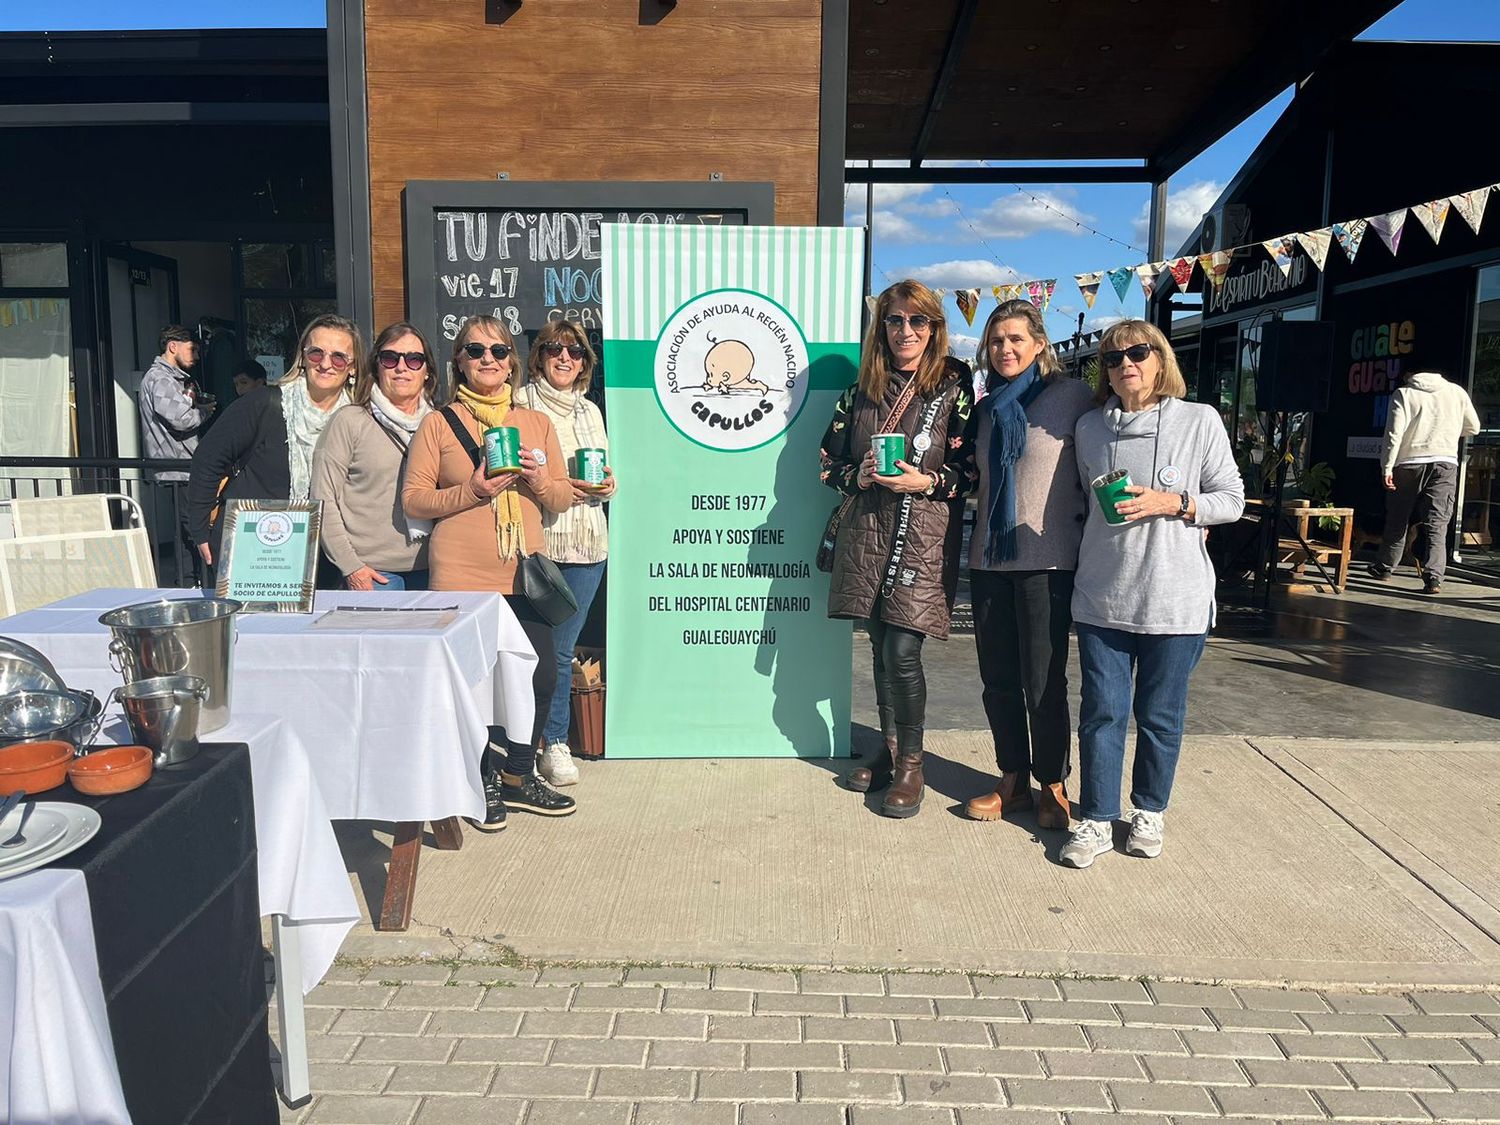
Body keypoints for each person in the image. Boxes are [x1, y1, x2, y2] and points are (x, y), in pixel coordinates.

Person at [1061, 320, 1244, 869]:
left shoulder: (1199, 420)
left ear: (1160, 359)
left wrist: (1175, 503)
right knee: (1101, 714)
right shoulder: (1089, 428)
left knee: (1161, 716)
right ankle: (1094, 818)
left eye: (1138, 353)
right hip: (1103, 597)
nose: (1126, 365)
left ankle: (1148, 811)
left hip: (1176, 600)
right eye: (1113, 358)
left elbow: (1231, 499)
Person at [403, 315, 577, 830]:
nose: (487, 360)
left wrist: (539, 478)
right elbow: (414, 498)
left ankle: (521, 774)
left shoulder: (536, 422)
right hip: (461, 575)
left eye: (498, 351)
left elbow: (563, 498)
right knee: (473, 687)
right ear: (459, 361)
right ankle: (483, 780)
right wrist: (474, 492)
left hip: (526, 574)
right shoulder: (439, 423)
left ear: (511, 362)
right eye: (475, 351)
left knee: (540, 678)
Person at [820, 280, 976, 818]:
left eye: (917, 321)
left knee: (904, 651)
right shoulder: (860, 388)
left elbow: (970, 469)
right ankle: (888, 755)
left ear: (933, 327)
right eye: (894, 320)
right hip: (868, 531)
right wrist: (856, 474)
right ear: (881, 327)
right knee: (881, 646)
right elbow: (826, 462)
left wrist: (928, 482)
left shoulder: (955, 382)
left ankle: (912, 766)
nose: (905, 331)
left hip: (923, 533)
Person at [962, 300, 1094, 829]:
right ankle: (1011, 778)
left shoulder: (1073, 397)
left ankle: (1053, 783)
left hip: (1049, 561)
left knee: (1043, 679)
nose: (1006, 349)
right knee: (997, 678)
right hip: (991, 560)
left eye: (1016, 338)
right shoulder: (987, 406)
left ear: (1040, 343)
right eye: (996, 341)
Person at [187, 314, 360, 587]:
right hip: (255, 550)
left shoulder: (358, 418)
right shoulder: (265, 403)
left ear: (352, 367)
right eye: (316, 353)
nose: (326, 364)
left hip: (326, 554)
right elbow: (208, 459)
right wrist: (199, 531)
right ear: (303, 357)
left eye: (339, 357)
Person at [516, 320, 616, 786]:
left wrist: (609, 484)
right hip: (541, 544)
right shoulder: (519, 404)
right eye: (554, 349)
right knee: (543, 652)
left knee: (562, 648)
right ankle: (547, 743)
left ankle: (547, 741)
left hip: (589, 543)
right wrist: (557, 489)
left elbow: (601, 471)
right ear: (539, 355)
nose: (564, 357)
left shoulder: (591, 411)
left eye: (575, 352)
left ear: (584, 362)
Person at [311, 322, 438, 592]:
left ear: (427, 371)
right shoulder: (350, 421)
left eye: (414, 359)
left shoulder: (440, 424)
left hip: (435, 570)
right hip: (374, 575)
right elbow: (323, 499)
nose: (402, 367)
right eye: (391, 358)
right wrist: (351, 566)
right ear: (377, 366)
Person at [1367, 368, 1480, 595]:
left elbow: (1393, 434)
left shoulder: (1405, 394)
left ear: (1409, 374)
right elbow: (1474, 427)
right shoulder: (1456, 392)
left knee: (1399, 517)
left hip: (1408, 463)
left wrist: (1387, 466)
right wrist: (1446, 434)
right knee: (1437, 523)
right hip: (1446, 462)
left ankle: (1385, 567)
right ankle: (1433, 579)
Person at [139, 325, 215, 480]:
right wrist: (205, 411)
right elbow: (182, 420)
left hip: (178, 470)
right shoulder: (160, 379)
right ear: (172, 346)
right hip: (176, 473)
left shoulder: (169, 379)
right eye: (192, 349)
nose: (197, 356)